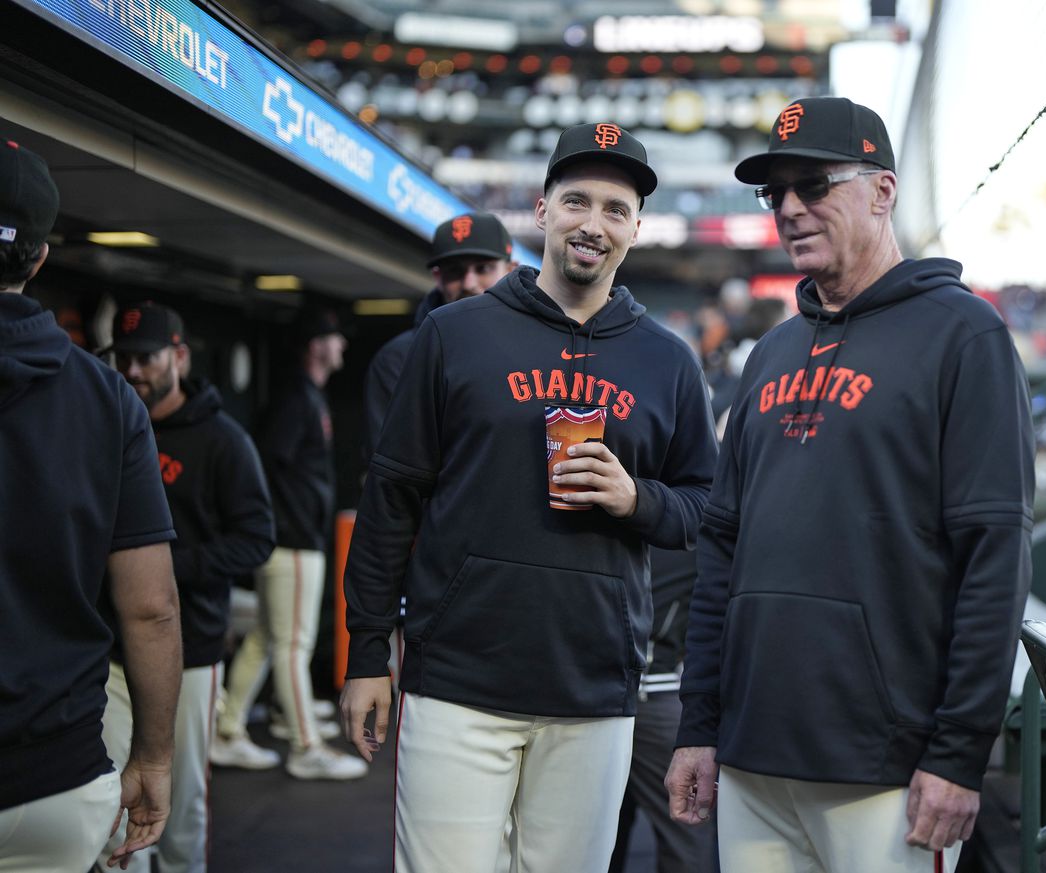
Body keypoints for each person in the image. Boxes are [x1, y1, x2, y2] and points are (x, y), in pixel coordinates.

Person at [665, 97, 1035, 873]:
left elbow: (993, 555)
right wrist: (700, 724)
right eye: (776, 194)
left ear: (882, 190)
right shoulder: (768, 353)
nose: (791, 208)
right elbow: (721, 551)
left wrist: (960, 752)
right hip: (752, 755)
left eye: (815, 184)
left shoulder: (965, 334)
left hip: (888, 767)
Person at [341, 121, 718, 873]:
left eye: (616, 209)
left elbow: (703, 509)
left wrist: (636, 496)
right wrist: (366, 652)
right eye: (577, 201)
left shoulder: (668, 360)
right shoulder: (454, 334)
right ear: (542, 211)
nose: (594, 223)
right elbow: (393, 500)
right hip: (457, 681)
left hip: (596, 684)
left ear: (636, 228)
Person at [0, 139, 182, 871]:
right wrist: (154, 755)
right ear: (40, 258)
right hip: (60, 778)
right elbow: (151, 607)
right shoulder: (110, 400)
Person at [97, 302, 275, 872]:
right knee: (112, 808)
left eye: (145, 358)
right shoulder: (106, 426)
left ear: (178, 355)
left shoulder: (222, 440)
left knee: (180, 809)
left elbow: (255, 539)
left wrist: (164, 571)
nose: (132, 371)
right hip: (106, 652)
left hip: (188, 652)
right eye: (122, 357)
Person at [213, 307, 365, 780]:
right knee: (293, 645)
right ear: (317, 345)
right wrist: (282, 526)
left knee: (266, 636)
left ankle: (227, 727)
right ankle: (305, 746)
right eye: (334, 338)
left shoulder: (307, 396)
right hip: (291, 541)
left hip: (294, 538)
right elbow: (265, 468)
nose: (341, 346)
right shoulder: (294, 399)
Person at [363, 211, 517, 460]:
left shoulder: (537, 345)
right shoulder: (400, 358)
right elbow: (393, 466)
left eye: (484, 268)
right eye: (455, 271)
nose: (469, 282)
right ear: (438, 277)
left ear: (511, 270)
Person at [609, 548, 718, 873]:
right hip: (647, 688)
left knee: (601, 831)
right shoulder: (696, 518)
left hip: (622, 685)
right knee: (688, 827)